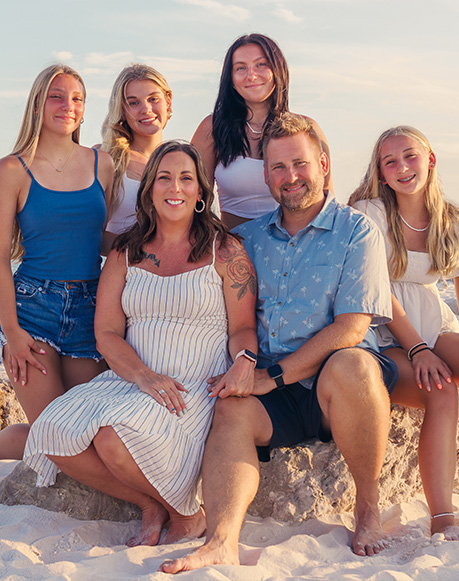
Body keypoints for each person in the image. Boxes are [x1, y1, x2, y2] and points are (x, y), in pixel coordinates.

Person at [160, 113, 398, 573]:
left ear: (323, 164)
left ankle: (367, 506)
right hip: (275, 392)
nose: (290, 177)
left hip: (338, 383)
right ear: (265, 175)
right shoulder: (245, 239)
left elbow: (351, 326)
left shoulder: (357, 231)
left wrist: (273, 377)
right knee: (229, 407)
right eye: (277, 167)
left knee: (353, 363)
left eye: (299, 164)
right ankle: (222, 539)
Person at [23, 141, 258, 546]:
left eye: (186, 178)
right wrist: (143, 376)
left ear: (201, 192)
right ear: (149, 189)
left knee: (113, 436)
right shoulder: (124, 253)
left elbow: (242, 328)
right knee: (50, 430)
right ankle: (152, 505)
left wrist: (245, 361)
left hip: (190, 385)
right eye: (164, 177)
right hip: (133, 377)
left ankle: (187, 514)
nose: (175, 187)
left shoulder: (226, 251)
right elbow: (107, 334)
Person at [349, 125, 459, 539]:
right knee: (443, 390)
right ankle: (444, 517)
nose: (402, 167)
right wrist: (416, 349)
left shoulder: (451, 218)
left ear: (430, 159)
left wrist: (432, 344)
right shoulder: (370, 213)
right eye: (390, 161)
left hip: (434, 321)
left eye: (410, 156)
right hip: (385, 329)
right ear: (381, 171)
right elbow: (376, 289)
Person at [0, 64, 113, 460]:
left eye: (77, 99)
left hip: (90, 310)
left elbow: (98, 239)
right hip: (33, 309)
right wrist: (11, 332)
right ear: (37, 105)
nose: (69, 106)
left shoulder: (103, 164)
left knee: (89, 432)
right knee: (55, 437)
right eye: (57, 96)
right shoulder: (13, 169)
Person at [192, 33, 332, 230]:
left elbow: (327, 202)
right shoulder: (212, 128)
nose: (251, 75)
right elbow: (193, 198)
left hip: (298, 247)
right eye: (241, 68)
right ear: (230, 78)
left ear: (277, 70)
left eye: (261, 65)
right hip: (234, 248)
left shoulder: (307, 129)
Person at [100, 63, 172, 254]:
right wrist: (147, 251)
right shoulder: (104, 159)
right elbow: (90, 235)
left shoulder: (182, 161)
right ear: (122, 110)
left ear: (168, 102)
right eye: (133, 102)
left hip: (173, 276)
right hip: (119, 275)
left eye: (153, 99)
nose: (146, 109)